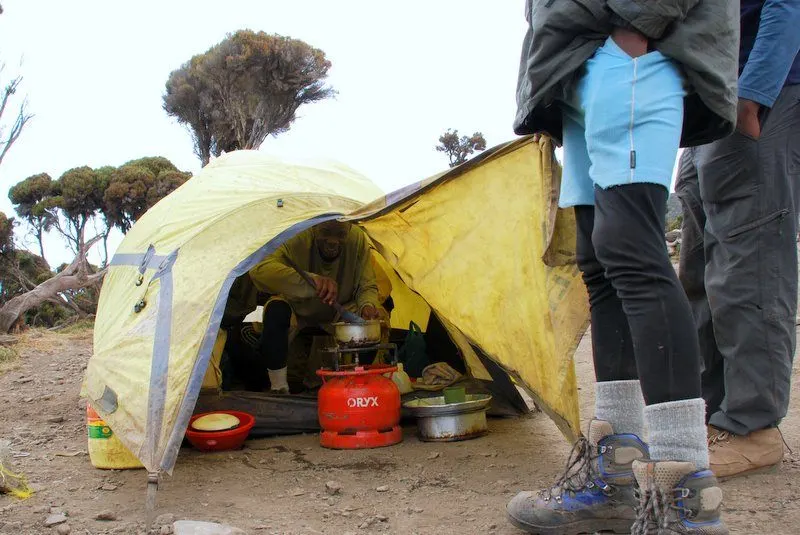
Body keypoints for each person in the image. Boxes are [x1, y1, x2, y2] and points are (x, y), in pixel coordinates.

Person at [507, 1, 738, 534]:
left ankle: (686, 498)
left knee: (633, 253)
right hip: (583, 69)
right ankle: (615, 473)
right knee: (599, 261)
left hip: (632, 56)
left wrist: (635, 30)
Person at [676, 1, 800, 480]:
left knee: (748, 254)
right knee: (699, 267)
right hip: (711, 94)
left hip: (757, 85)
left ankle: (754, 427)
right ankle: (717, 414)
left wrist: (755, 91)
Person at [247, 221, 382, 393]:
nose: (333, 241)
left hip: (338, 311)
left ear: (349, 228)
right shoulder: (296, 234)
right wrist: (310, 281)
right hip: (296, 306)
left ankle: (358, 389)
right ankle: (279, 389)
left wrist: (367, 305)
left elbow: (367, 285)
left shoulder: (357, 238)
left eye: (340, 234)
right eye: (325, 232)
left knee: (369, 324)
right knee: (276, 311)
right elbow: (259, 269)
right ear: (314, 228)